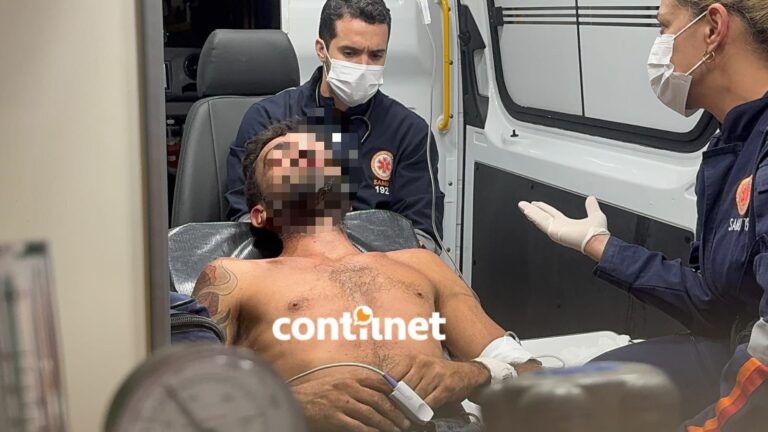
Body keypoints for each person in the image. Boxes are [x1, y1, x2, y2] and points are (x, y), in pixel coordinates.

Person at [518, 0, 768, 429]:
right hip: (732, 344)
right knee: (566, 397)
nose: (659, 46)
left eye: (664, 27)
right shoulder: (734, 144)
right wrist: (600, 245)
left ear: (712, 28)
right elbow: (715, 303)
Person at [196, 120, 538, 432]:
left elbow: (531, 373)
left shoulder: (422, 264)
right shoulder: (233, 277)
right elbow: (185, 398)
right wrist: (289, 404)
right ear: (260, 214)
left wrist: (475, 373)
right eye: (282, 156)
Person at [225, 0, 445, 250]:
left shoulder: (410, 132)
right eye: (350, 53)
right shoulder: (268, 118)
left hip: (378, 266)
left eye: (376, 55)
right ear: (322, 49)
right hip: (284, 261)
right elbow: (244, 221)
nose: (363, 66)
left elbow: (422, 235)